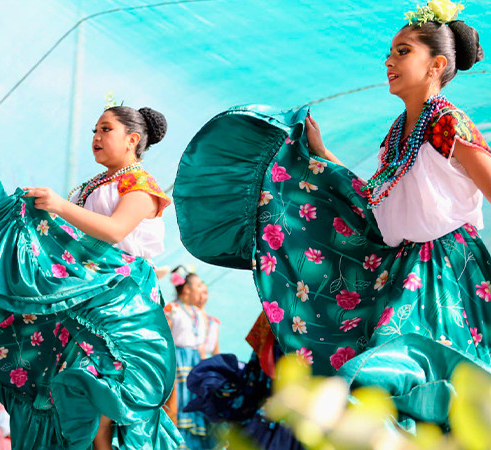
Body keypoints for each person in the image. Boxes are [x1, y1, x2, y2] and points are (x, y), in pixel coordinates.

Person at [173, 0, 488, 428]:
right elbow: (376, 195)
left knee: (405, 371)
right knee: (375, 374)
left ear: (436, 65)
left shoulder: (449, 123)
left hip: (443, 270)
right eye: (391, 51)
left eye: (403, 51)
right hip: (400, 265)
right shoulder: (399, 131)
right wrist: (320, 156)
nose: (389, 60)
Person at [0, 106, 183, 449]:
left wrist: (59, 206)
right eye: (94, 130)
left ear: (132, 140)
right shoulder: (92, 185)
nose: (96, 137)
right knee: (60, 386)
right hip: (82, 292)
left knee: (98, 383)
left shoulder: (140, 185)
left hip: (119, 302)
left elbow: (114, 231)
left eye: (105, 130)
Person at [163, 268, 212, 449]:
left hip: (195, 364)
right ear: (186, 289)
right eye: (198, 285)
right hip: (178, 363)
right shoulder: (171, 308)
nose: (201, 289)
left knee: (195, 405)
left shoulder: (199, 313)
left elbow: (201, 345)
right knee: (178, 405)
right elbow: (164, 338)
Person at [197, 283, 220, 358]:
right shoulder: (182, 317)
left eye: (205, 293)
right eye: (198, 293)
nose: (202, 297)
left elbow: (216, 353)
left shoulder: (213, 323)